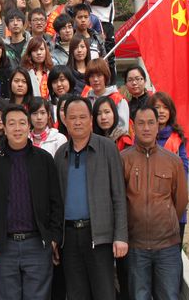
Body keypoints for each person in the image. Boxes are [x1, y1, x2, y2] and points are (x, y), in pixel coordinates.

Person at [0, 104, 63, 300]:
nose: (17, 128)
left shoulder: (44, 160)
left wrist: (53, 238)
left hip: (37, 244)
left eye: (22, 123)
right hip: (4, 246)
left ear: (29, 126)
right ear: (4, 128)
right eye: (12, 123)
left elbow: (56, 201)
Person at [54, 97, 128, 300]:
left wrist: (121, 236)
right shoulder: (61, 154)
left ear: (91, 119)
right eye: (72, 118)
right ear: (65, 121)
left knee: (104, 293)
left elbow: (119, 195)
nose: (77, 122)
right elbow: (56, 202)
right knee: (76, 293)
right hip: (69, 237)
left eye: (82, 117)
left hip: (99, 237)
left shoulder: (107, 148)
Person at [122, 106, 188, 300]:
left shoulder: (173, 161)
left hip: (167, 245)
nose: (146, 128)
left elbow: (180, 200)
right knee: (139, 296)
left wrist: (166, 220)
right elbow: (118, 200)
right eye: (141, 123)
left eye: (151, 123)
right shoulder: (123, 159)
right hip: (135, 246)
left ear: (158, 126)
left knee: (169, 295)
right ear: (134, 127)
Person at [148, 91, 189, 241]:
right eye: (157, 107)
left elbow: (184, 172)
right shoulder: (142, 138)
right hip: (147, 207)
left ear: (171, 111)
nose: (161, 111)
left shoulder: (177, 138)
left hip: (172, 204)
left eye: (165, 107)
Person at [85, 58, 129, 130]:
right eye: (92, 76)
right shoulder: (86, 100)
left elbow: (122, 127)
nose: (95, 79)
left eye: (99, 75)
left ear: (105, 76)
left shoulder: (118, 99)